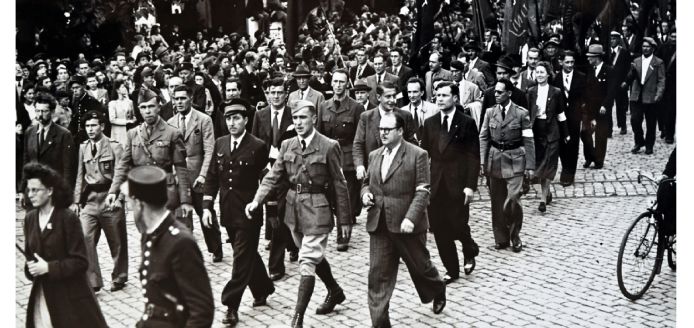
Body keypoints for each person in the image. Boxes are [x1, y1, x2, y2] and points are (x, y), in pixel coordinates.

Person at [246, 99, 352, 327]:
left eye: (303, 117)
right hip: (293, 211)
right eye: (295, 118)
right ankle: (334, 291)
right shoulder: (288, 145)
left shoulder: (328, 145)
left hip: (318, 210)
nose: (299, 122)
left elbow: (339, 183)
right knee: (311, 254)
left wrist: (345, 220)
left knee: (306, 261)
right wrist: (257, 199)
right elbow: (273, 176)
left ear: (314, 118)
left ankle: (297, 317)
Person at [361, 112, 446, 328]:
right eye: (381, 129)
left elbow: (423, 191)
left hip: (407, 225)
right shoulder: (374, 155)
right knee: (378, 276)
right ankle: (380, 323)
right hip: (379, 224)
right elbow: (366, 182)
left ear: (400, 131)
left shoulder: (417, 155)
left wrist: (411, 217)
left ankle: (437, 288)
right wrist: (365, 194)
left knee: (421, 267)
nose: (383, 133)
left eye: (387, 129)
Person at [203, 99, 275, 327]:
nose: (231, 123)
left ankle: (230, 305)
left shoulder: (258, 146)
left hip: (249, 212)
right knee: (247, 254)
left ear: (245, 120)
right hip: (227, 212)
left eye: (236, 118)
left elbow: (269, 180)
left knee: (240, 258)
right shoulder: (220, 144)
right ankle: (263, 288)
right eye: (228, 118)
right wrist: (206, 207)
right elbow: (213, 177)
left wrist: (270, 209)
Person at [121, 166, 215, 327]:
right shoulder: (150, 234)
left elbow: (202, 311)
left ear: (139, 204)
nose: (129, 207)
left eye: (130, 202)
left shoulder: (180, 243)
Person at [22, 162, 108, 328]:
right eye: (28, 190)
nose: (30, 194)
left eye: (35, 190)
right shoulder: (30, 219)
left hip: (71, 299)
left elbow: (81, 262)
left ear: (50, 191)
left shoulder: (67, 218)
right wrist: (31, 268)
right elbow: (30, 259)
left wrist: (48, 268)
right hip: (43, 297)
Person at [106, 89, 195, 230]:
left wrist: (185, 200)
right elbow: (123, 165)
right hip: (142, 194)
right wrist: (113, 191)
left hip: (165, 192)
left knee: (166, 239)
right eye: (143, 107)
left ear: (159, 108)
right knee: (146, 237)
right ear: (139, 110)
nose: (147, 111)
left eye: (151, 106)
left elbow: (181, 169)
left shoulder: (172, 133)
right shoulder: (133, 134)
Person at [420, 81, 480, 284]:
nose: (439, 99)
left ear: (455, 98)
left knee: (457, 225)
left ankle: (469, 246)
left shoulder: (466, 123)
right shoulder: (430, 123)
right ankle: (451, 269)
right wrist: (422, 183)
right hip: (436, 184)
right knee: (439, 227)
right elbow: (424, 155)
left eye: (444, 95)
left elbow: (473, 157)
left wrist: (470, 186)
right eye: (437, 95)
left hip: (458, 183)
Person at [71, 111, 129, 293]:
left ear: (102, 127)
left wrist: (120, 198)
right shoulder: (83, 147)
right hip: (89, 201)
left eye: (93, 125)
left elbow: (123, 174)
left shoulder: (115, 147)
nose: (90, 129)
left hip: (109, 199)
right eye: (87, 126)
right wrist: (76, 201)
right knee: (85, 238)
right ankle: (92, 281)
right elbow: (80, 176)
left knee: (117, 241)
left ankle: (119, 277)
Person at [250, 77, 300, 281]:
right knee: (273, 213)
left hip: (288, 173)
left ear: (285, 94)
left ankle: (276, 265)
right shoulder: (260, 115)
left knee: (282, 213)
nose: (276, 96)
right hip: (267, 172)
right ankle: (288, 245)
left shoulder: (293, 114)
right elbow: (253, 142)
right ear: (267, 94)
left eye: (280, 92)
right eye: (272, 92)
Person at [167, 84, 223, 261]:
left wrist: (203, 175)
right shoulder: (170, 123)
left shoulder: (203, 120)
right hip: (180, 178)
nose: (180, 102)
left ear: (191, 99)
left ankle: (216, 248)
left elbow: (209, 150)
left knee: (205, 213)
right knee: (183, 216)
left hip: (199, 175)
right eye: (176, 99)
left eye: (183, 98)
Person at [479, 79, 535, 252]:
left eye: (499, 92)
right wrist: (482, 161)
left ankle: (515, 234)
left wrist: (530, 166)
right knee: (497, 202)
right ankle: (501, 238)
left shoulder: (521, 114)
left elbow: (528, 140)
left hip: (515, 161)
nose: (495, 95)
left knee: (512, 199)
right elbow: (483, 137)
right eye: (495, 92)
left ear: (509, 94)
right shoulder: (490, 113)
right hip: (494, 160)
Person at [316, 68, 365, 251]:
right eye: (335, 82)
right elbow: (319, 133)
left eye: (342, 82)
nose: (338, 85)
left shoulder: (356, 107)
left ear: (347, 84)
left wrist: (359, 162)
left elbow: (360, 138)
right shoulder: (323, 106)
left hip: (347, 157)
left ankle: (343, 237)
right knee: (329, 197)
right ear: (331, 83)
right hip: (329, 156)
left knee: (346, 199)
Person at [20, 92, 76, 209]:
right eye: (37, 111)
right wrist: (22, 189)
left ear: (52, 112)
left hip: (54, 192)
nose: (40, 114)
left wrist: (67, 194)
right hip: (33, 192)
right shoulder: (29, 132)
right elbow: (26, 163)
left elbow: (68, 167)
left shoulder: (64, 134)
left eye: (44, 111)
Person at [526, 62, 570, 212]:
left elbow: (561, 114)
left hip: (551, 132)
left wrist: (566, 134)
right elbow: (527, 114)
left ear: (548, 74)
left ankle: (543, 199)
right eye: (537, 72)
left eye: (542, 72)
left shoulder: (556, 92)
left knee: (548, 165)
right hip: (536, 130)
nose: (539, 75)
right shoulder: (531, 91)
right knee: (540, 165)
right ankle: (547, 192)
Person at [354, 82, 418, 183]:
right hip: (373, 172)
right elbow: (358, 144)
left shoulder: (405, 116)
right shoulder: (366, 117)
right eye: (388, 97)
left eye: (394, 96)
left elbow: (413, 143)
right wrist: (360, 166)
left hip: (399, 172)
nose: (392, 100)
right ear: (378, 97)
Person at [622, 37, 666, 155]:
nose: (645, 49)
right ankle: (639, 141)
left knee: (651, 122)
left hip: (651, 96)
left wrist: (659, 94)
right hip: (636, 95)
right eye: (644, 46)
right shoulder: (636, 61)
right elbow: (631, 77)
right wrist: (628, 77)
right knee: (635, 120)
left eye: (648, 47)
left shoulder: (658, 62)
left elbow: (661, 80)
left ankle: (649, 145)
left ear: (653, 49)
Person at [550, 51, 588, 186]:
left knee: (572, 144)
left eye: (572, 62)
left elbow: (585, 97)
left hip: (574, 116)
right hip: (560, 116)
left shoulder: (581, 77)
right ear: (561, 62)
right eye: (567, 62)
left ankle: (568, 173)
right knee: (561, 144)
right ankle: (565, 167)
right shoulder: (556, 78)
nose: (570, 65)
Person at [583, 45, 616, 170]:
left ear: (596, 57)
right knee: (585, 133)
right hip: (590, 107)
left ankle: (599, 160)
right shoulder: (590, 70)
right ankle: (589, 156)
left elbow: (611, 91)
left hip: (602, 108)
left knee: (600, 135)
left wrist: (605, 105)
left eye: (590, 57)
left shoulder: (609, 70)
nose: (588, 60)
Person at [480, 56, 529, 133]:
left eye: (505, 73)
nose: (502, 76)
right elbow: (483, 121)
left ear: (510, 74)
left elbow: (525, 123)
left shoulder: (520, 94)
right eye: (499, 73)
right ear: (496, 74)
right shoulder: (489, 93)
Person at [401, 77, 439, 142]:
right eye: (409, 92)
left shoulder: (434, 109)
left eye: (415, 92)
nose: (412, 95)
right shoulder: (402, 112)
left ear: (422, 93)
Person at [609, 31, 631, 135]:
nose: (612, 41)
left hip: (620, 83)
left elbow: (628, 69)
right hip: (609, 83)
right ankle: (608, 128)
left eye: (614, 39)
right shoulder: (606, 52)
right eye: (611, 39)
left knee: (621, 106)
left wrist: (626, 81)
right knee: (608, 105)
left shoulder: (624, 52)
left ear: (618, 40)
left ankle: (622, 125)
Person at [108, 78, 136, 143]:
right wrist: (127, 121)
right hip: (118, 132)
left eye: (125, 87)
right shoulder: (112, 103)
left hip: (129, 131)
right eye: (122, 87)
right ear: (117, 90)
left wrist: (133, 120)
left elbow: (134, 115)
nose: (125, 89)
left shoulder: (130, 102)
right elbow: (112, 119)